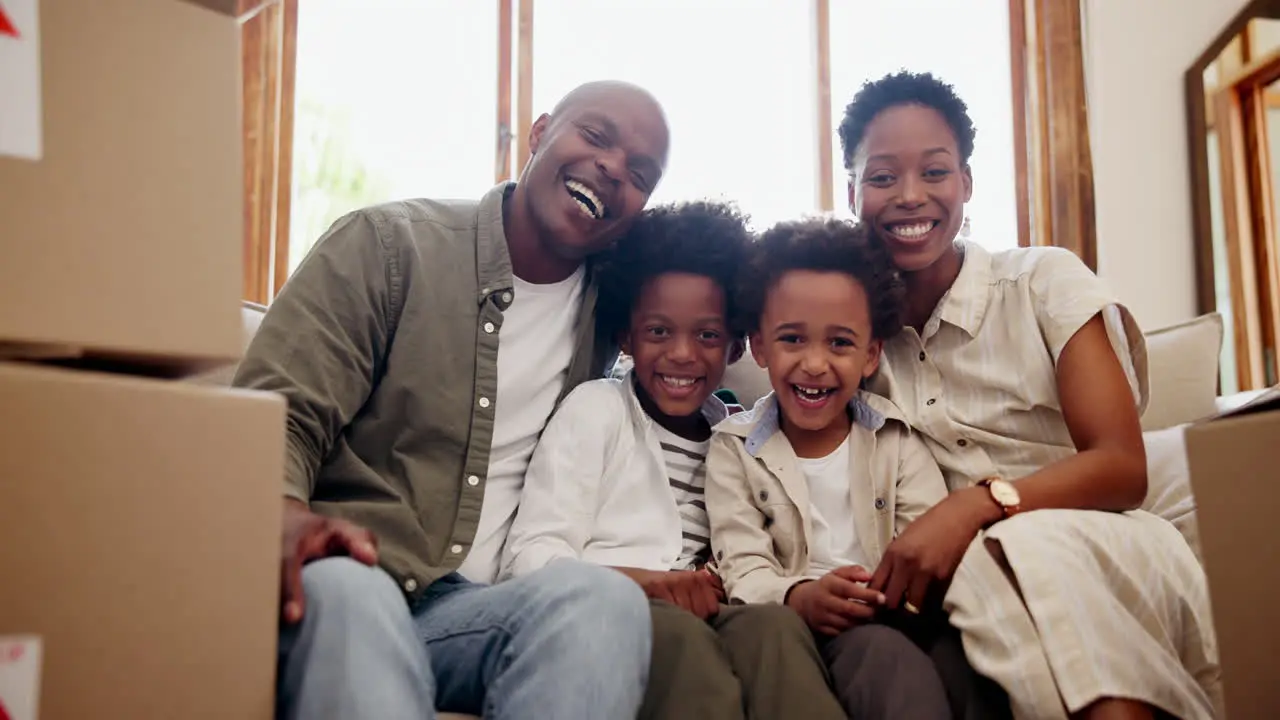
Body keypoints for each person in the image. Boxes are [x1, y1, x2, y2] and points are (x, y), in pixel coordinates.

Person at [233, 80, 671, 720]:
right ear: (540, 132)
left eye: (640, 174)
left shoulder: (619, 316)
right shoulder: (386, 246)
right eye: (596, 137)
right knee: (349, 592)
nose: (612, 169)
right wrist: (285, 514)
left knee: (602, 601)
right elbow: (277, 415)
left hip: (479, 614)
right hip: (354, 574)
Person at [840, 70, 1222, 720]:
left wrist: (974, 508)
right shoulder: (855, 337)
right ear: (852, 192)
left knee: (1019, 547)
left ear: (966, 183)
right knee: (986, 572)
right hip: (971, 586)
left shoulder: (1043, 281)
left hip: (1104, 548)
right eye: (881, 178)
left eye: (934, 173)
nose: (910, 196)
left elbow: (1122, 467)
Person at [501, 201, 847, 720]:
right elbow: (527, 559)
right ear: (626, 337)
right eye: (659, 332)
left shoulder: (738, 436)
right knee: (686, 641)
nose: (683, 354)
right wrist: (649, 583)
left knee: (773, 627)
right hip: (620, 610)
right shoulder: (596, 410)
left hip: (720, 609)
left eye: (706, 335)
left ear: (734, 346)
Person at [705, 217, 954, 719]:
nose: (815, 364)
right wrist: (800, 596)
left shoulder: (896, 438)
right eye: (793, 340)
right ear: (758, 347)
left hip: (885, 621)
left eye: (839, 343)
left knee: (934, 659)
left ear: (870, 355)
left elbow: (927, 541)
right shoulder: (734, 447)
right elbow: (742, 562)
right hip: (785, 623)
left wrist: (886, 598)